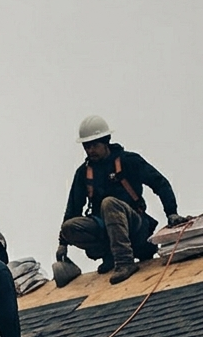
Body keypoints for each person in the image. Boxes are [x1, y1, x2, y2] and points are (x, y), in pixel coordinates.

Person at [58, 115, 189, 285]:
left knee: (109, 203)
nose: (90, 150)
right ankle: (110, 255)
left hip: (136, 226)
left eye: (95, 145)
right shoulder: (83, 173)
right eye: (87, 146)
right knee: (70, 227)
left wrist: (171, 213)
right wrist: (63, 243)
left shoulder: (129, 161)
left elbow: (160, 183)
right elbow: (73, 207)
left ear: (106, 141)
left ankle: (124, 262)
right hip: (105, 228)